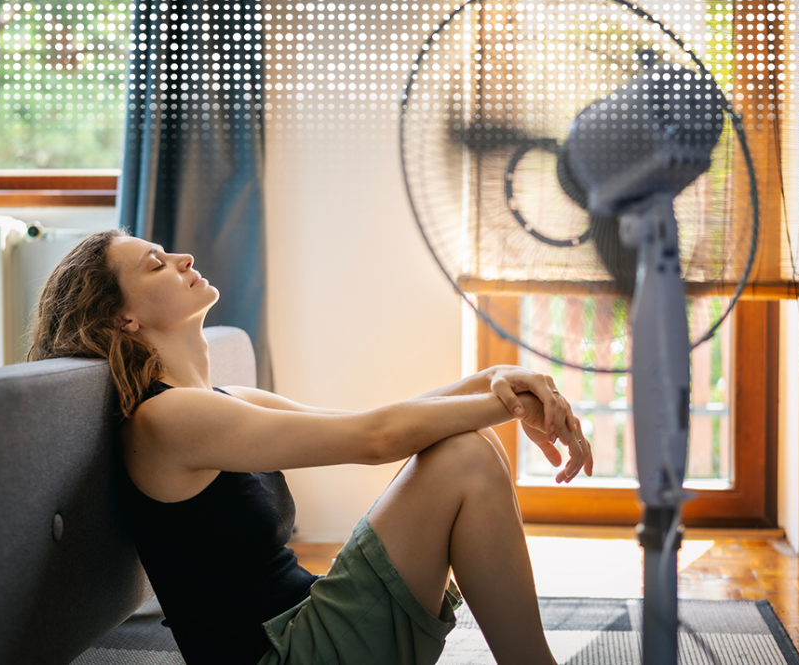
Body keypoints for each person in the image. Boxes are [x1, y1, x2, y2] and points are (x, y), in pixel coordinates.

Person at [29, 228, 594, 665]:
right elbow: (375, 439)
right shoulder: (168, 418)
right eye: (156, 264)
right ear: (122, 317)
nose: (184, 260)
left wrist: (499, 377)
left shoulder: (220, 400)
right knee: (466, 455)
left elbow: (374, 419)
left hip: (309, 622)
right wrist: (516, 403)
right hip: (287, 653)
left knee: (465, 445)